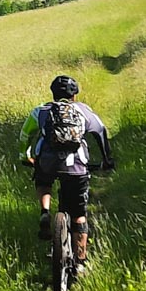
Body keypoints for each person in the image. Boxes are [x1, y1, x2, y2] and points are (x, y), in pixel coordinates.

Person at [23, 74, 113, 261]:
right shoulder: (83, 110)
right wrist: (106, 159)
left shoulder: (41, 111)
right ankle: (80, 262)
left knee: (43, 179)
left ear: (53, 93)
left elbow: (25, 135)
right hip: (76, 166)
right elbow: (101, 131)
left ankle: (45, 212)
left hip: (47, 163)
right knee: (79, 215)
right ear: (75, 95)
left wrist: (25, 156)